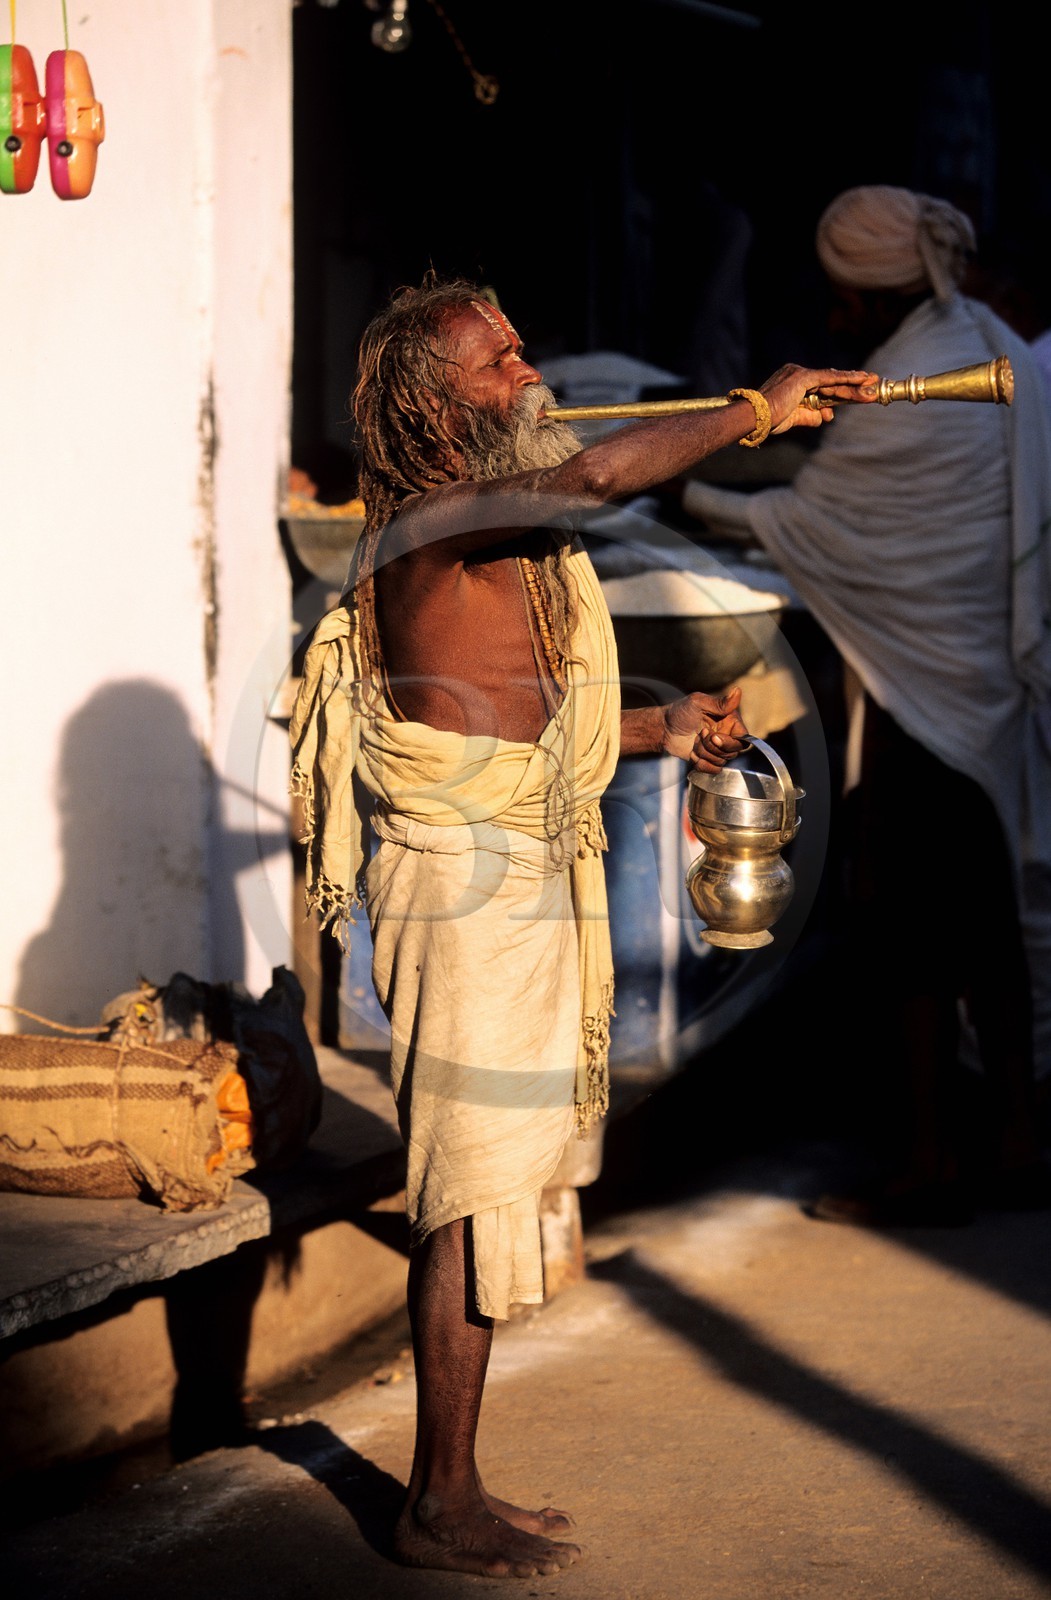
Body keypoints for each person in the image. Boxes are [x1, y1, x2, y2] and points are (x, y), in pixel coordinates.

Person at [288, 275, 878, 1578]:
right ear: (435, 414)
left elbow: (524, 716)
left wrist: (669, 729)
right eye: (498, 365)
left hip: (522, 871)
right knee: (464, 1201)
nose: (526, 375)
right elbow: (603, 475)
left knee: (490, 1196)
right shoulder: (445, 516)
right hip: (463, 892)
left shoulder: (498, 530)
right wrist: (749, 411)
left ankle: (455, 1480)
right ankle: (434, 1502)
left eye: (518, 350)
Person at [682, 185, 1051, 1226]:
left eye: (845, 298)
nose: (836, 317)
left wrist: (673, 482)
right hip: (978, 689)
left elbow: (818, 520)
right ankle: (1018, 1136)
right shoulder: (981, 339)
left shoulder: (915, 379)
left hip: (922, 695)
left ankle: (934, 1159)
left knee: (913, 928)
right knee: (982, 925)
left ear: (877, 290)